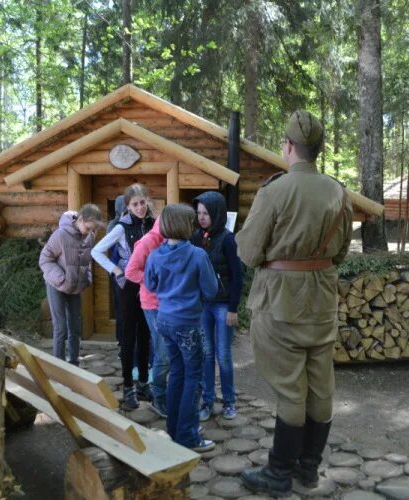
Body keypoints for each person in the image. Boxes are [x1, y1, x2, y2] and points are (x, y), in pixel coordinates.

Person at [236, 110, 353, 496]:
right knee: (321, 389)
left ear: (288, 146)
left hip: (280, 304)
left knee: (291, 392)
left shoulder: (275, 191)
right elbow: (341, 253)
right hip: (322, 302)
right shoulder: (338, 191)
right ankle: (309, 469)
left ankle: (278, 474)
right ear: (318, 149)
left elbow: (249, 253)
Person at [144, 204, 218, 452]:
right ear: (187, 226)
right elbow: (211, 290)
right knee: (193, 378)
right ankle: (187, 436)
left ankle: (175, 429)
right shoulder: (197, 255)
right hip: (188, 323)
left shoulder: (155, 254)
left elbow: (150, 284)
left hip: (164, 320)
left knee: (177, 373)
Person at [92, 184, 155, 410]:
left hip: (149, 286)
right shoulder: (120, 228)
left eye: (142, 202)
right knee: (128, 337)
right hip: (128, 288)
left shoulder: (153, 223)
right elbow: (96, 251)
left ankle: (143, 383)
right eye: (134, 204)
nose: (139, 208)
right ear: (127, 207)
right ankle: (128, 386)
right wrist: (115, 270)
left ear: (147, 201)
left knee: (145, 334)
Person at [191, 192, 243, 421]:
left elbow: (238, 276)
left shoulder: (228, 239)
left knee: (223, 355)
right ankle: (208, 401)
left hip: (222, 306)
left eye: (206, 213)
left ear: (217, 213)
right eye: (199, 212)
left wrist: (233, 308)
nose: (201, 217)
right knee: (206, 354)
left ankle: (230, 402)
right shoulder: (195, 236)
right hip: (203, 305)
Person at [39, 205, 104, 365]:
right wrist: (61, 279)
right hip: (56, 286)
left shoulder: (89, 237)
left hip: (75, 288)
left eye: (92, 230)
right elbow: (45, 260)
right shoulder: (60, 235)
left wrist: (86, 279)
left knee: (75, 327)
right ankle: (59, 366)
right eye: (88, 228)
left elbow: (87, 262)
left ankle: (74, 363)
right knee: (60, 328)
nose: (90, 232)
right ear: (80, 220)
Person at [125, 216, 169, 418]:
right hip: (151, 303)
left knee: (166, 350)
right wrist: (153, 280)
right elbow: (131, 271)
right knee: (162, 351)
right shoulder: (147, 242)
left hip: (168, 302)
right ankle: (159, 398)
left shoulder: (170, 241)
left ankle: (164, 393)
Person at [107, 195, 126, 347]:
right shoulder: (114, 225)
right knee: (121, 307)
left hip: (124, 270)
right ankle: (121, 339)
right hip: (118, 270)